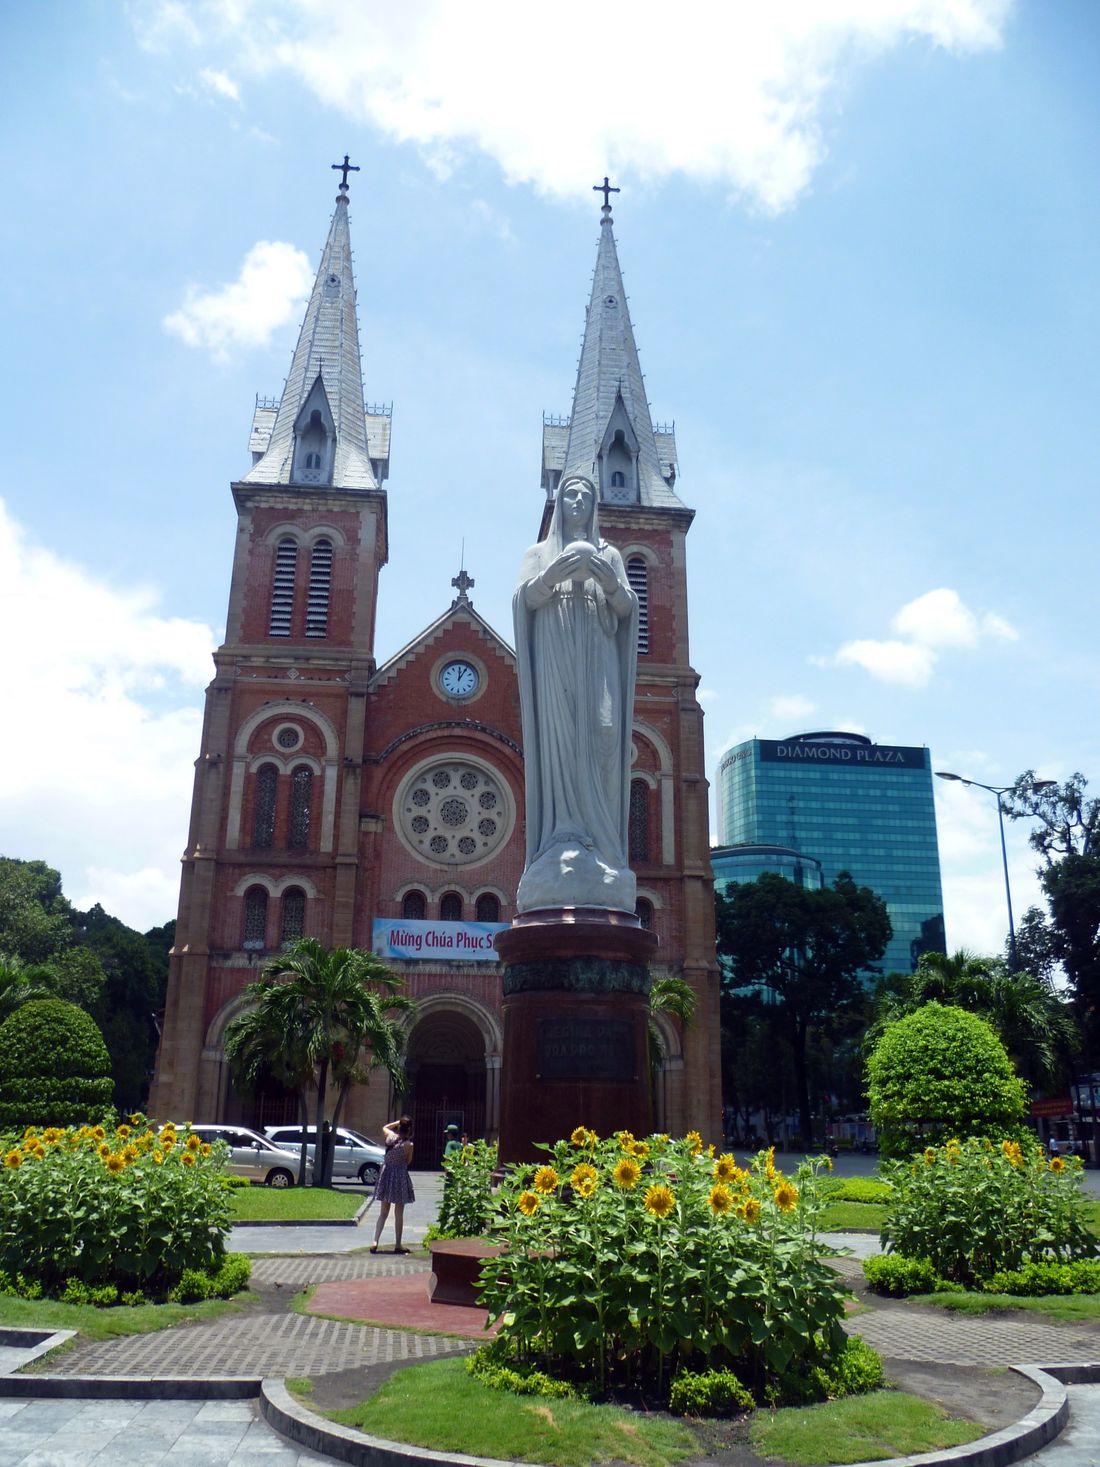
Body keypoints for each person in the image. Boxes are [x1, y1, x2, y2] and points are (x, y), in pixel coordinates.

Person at [512, 473, 639, 914]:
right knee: (562, 743)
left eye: (587, 493)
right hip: (555, 655)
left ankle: (603, 846)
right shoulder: (538, 555)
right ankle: (563, 834)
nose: (579, 499)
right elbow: (523, 602)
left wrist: (610, 583)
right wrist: (550, 578)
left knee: (605, 736)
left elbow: (627, 608)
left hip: (599, 659)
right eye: (571, 493)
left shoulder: (610, 554)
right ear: (559, 505)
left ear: (595, 505)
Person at [371, 1116, 415, 1254]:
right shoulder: (409, 1145)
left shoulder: (390, 1136)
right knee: (398, 1214)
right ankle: (398, 1244)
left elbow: (384, 1127)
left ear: (399, 1127)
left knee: (383, 1213)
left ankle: (375, 1241)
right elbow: (408, 1161)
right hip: (399, 1177)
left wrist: (397, 1122)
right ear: (409, 1129)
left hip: (386, 1175)